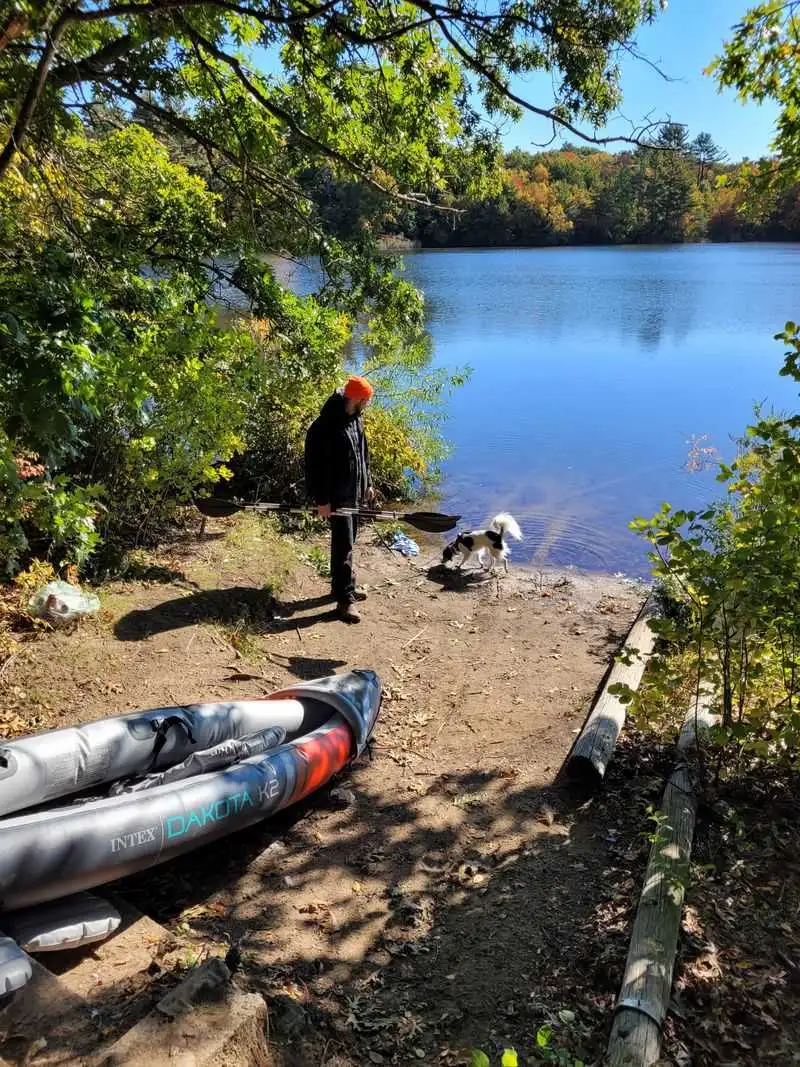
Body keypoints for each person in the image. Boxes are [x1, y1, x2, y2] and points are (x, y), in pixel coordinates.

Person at [304, 375, 375, 623]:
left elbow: (362, 453)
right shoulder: (325, 426)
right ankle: (345, 602)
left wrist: (367, 483)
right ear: (354, 398)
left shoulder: (355, 418)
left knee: (349, 542)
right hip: (335, 497)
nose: (367, 404)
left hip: (354, 493)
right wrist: (322, 500)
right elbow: (314, 466)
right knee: (343, 546)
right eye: (365, 400)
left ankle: (342, 587)